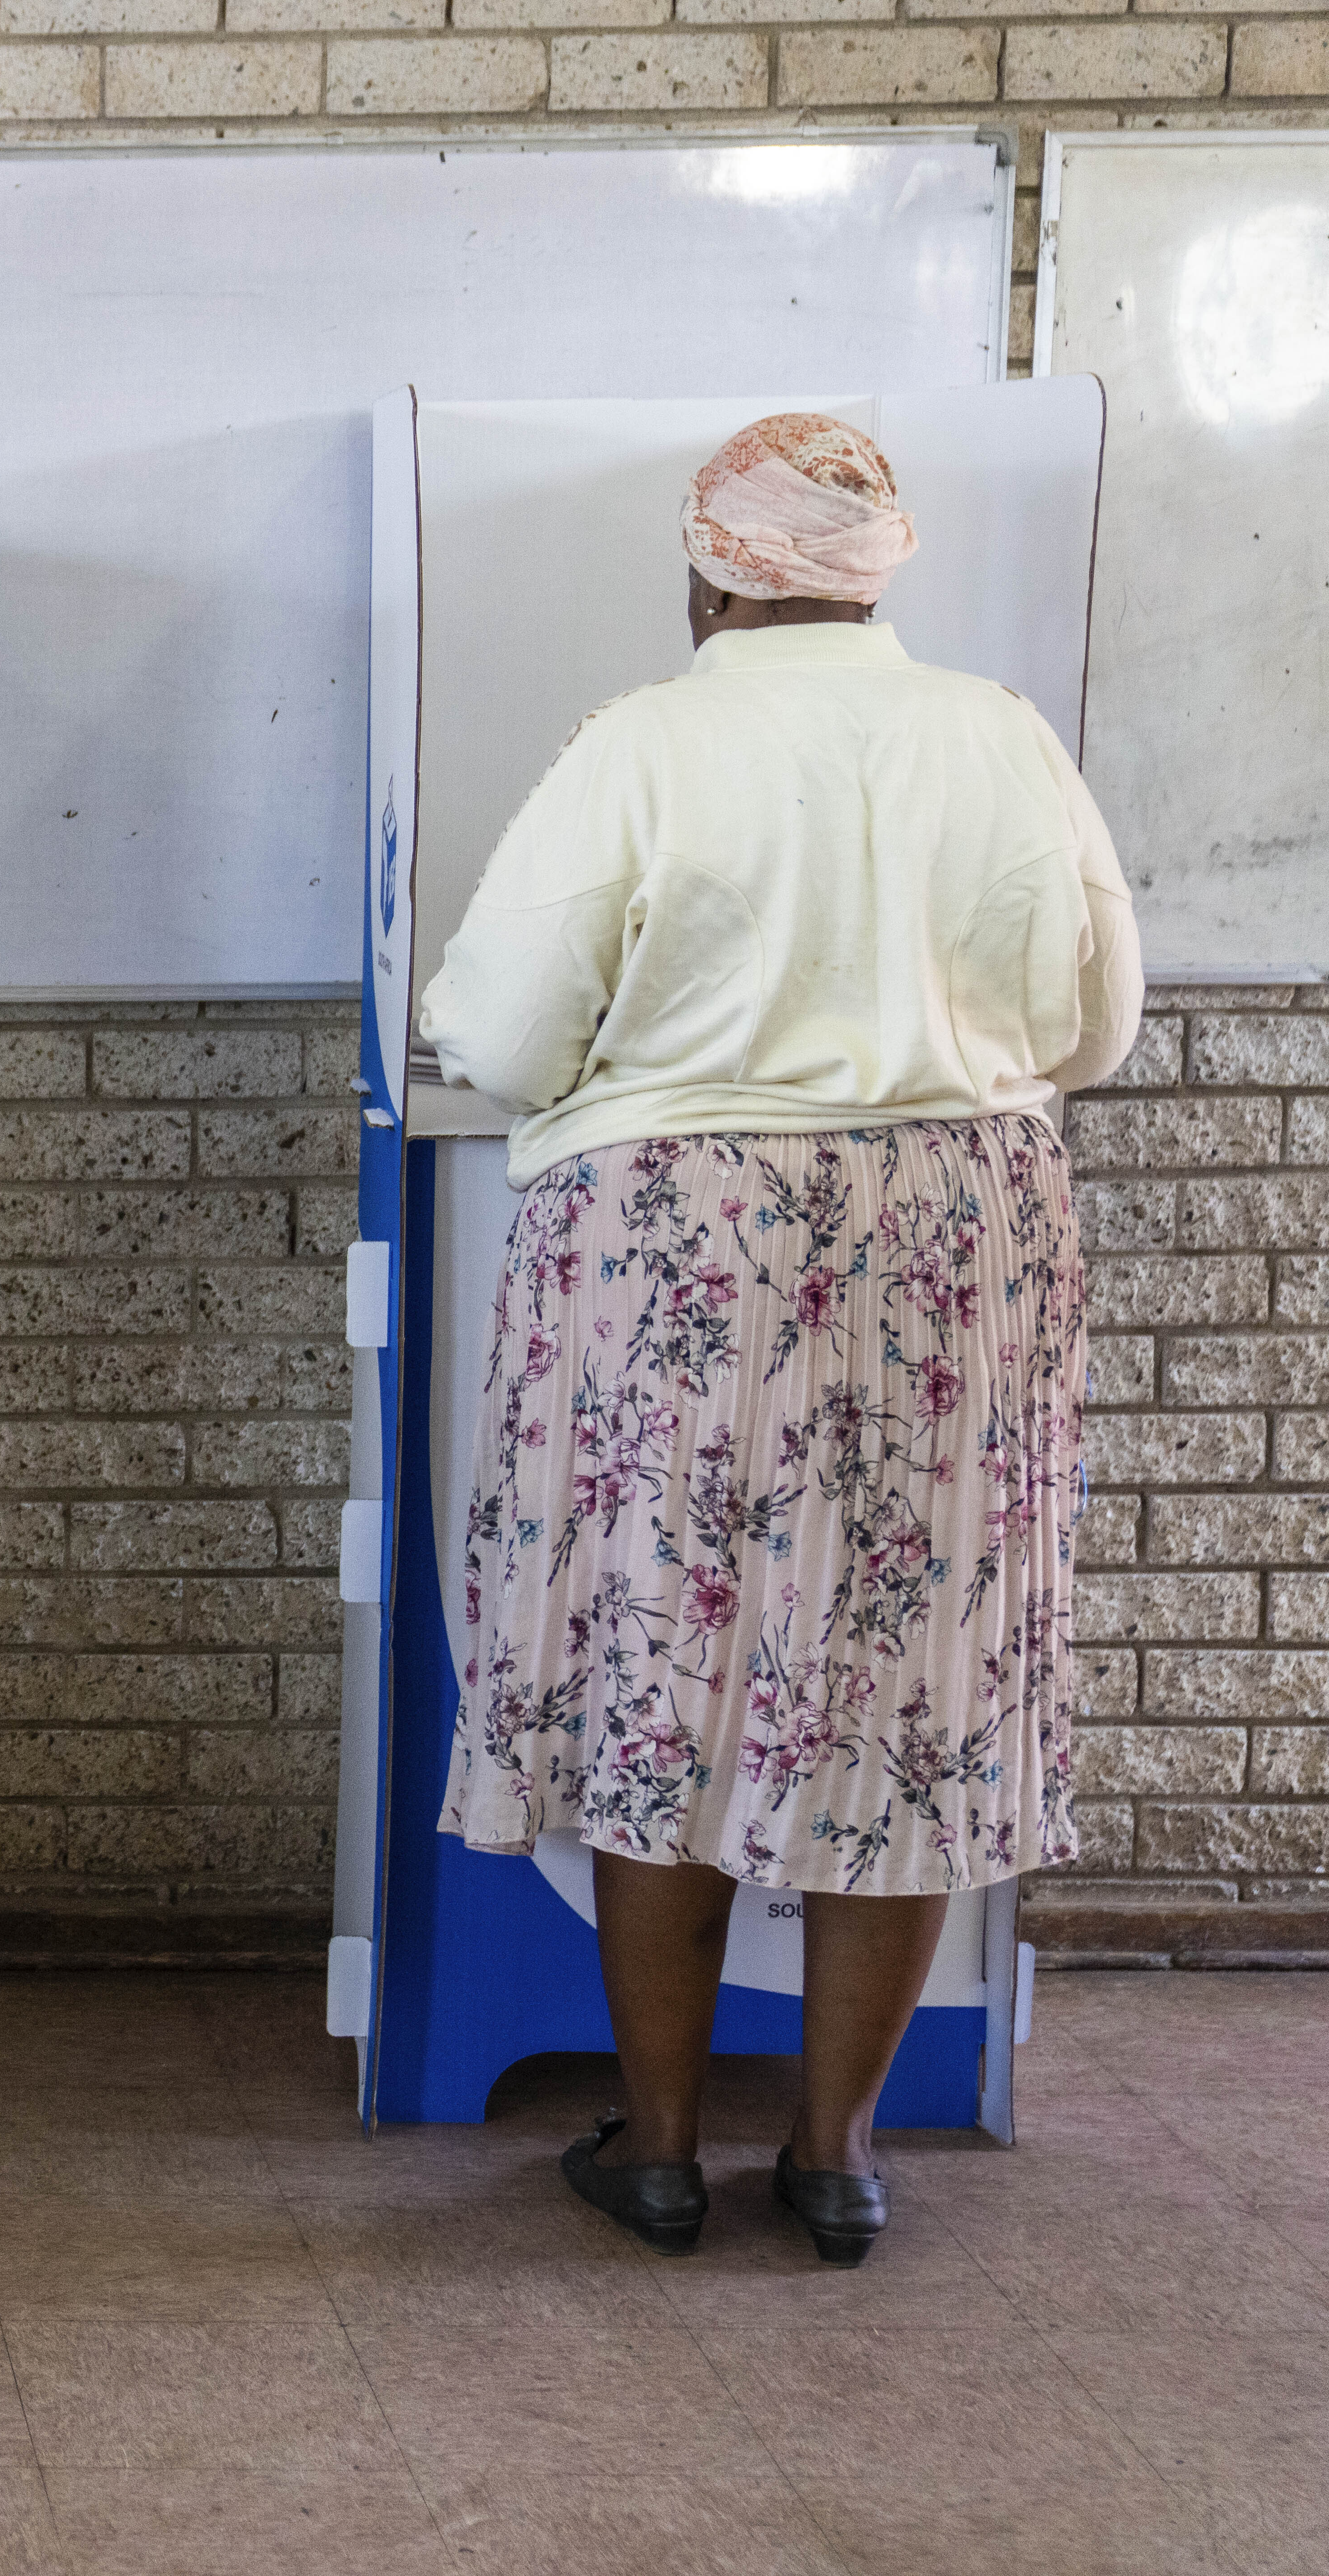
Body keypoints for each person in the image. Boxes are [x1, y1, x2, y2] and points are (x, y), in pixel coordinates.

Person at [420, 413, 1142, 2266]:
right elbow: (1093, 1026)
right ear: (878, 564)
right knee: (904, 1686)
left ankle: (657, 2147)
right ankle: (836, 2153)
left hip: (693, 1244)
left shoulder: (645, 745)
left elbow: (503, 1040)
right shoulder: (1002, 734)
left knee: (674, 1659)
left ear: (711, 566)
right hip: (960, 1245)